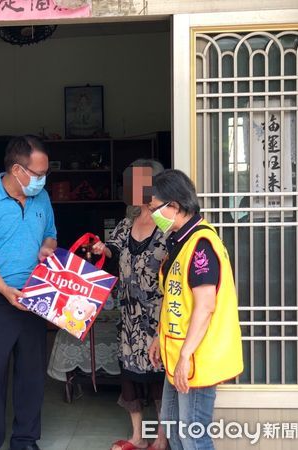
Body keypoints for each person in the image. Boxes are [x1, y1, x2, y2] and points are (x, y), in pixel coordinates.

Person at [0, 135, 57, 450]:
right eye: (38, 174)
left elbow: (50, 235)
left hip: (36, 295)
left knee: (31, 373)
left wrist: (47, 248)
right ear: (18, 170)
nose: (42, 180)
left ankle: (25, 439)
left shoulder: (41, 199)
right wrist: (5, 290)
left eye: (45, 174)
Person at [147, 169, 243, 450]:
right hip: (178, 353)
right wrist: (158, 336)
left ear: (174, 206)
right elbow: (176, 301)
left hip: (195, 357)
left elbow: (205, 306)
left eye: (155, 209)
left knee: (193, 434)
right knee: (175, 430)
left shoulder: (200, 246)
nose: (152, 215)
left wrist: (186, 356)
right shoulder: (180, 241)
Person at [91, 160, 169, 450]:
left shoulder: (166, 223)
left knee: (158, 377)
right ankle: (137, 436)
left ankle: (161, 439)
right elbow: (113, 248)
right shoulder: (127, 222)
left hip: (157, 315)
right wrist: (102, 248)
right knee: (130, 375)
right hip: (129, 314)